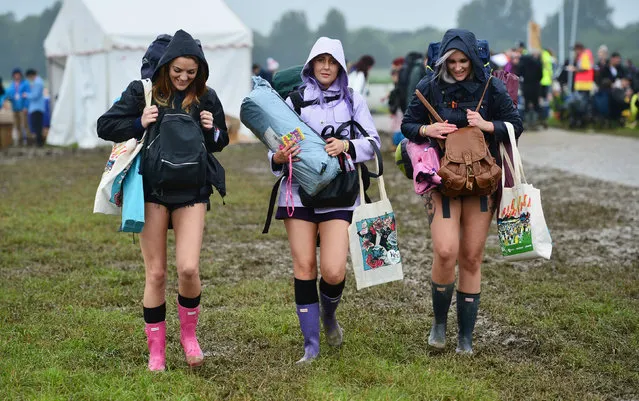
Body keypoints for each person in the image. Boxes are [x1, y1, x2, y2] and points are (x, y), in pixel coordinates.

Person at [97, 29, 229, 371]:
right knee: (155, 274)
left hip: (192, 192)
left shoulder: (207, 97)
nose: (184, 77)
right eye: (178, 71)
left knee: (188, 268)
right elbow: (105, 125)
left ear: (200, 70)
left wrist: (211, 128)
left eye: (191, 72)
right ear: (166, 66)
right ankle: (156, 351)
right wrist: (138, 122)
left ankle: (189, 337)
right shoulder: (143, 92)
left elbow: (220, 141)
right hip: (152, 192)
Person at [401, 29, 523, 354]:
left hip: (482, 181)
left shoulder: (490, 86)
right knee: (445, 251)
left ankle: (465, 338)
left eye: (463, 60)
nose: (457, 67)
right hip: (442, 181)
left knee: (471, 257)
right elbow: (407, 125)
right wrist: (428, 129)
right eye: (451, 61)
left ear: (473, 57)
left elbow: (515, 124)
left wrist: (488, 126)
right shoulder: (429, 86)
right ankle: (439, 323)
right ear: (442, 60)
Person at [269, 37, 381, 363]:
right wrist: (278, 156)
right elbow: (273, 151)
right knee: (304, 266)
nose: (326, 67)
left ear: (341, 66)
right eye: (321, 61)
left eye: (332, 61)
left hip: (341, 196)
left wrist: (348, 146)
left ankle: (329, 317)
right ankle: (311, 345)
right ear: (311, 65)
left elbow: (373, 143)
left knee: (332, 271)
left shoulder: (353, 100)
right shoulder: (294, 101)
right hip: (298, 194)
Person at [4, 68, 30, 145]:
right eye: (15, 74)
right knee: (17, 125)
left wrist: (26, 106)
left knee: (25, 124)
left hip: (22, 107)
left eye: (18, 74)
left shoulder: (25, 84)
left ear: (20, 75)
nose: (17, 76)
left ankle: (29, 140)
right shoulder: (12, 85)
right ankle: (20, 140)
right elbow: (8, 94)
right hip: (15, 107)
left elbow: (27, 95)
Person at [25, 69, 46, 147]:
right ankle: (39, 141)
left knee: (37, 125)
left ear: (31, 75)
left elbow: (35, 95)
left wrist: (26, 95)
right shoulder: (38, 81)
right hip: (37, 107)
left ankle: (39, 142)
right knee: (38, 125)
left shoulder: (37, 83)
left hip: (36, 107)